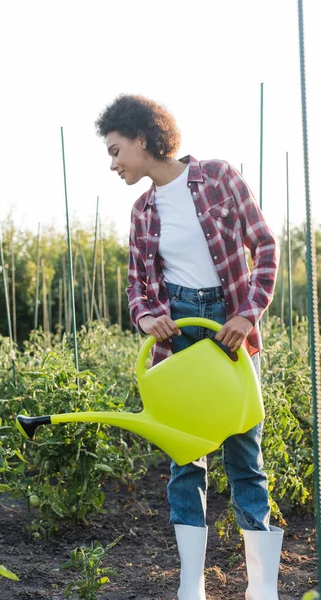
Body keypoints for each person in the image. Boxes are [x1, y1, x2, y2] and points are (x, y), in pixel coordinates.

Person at [95, 94, 283, 600]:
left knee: (245, 451)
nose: (113, 164)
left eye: (116, 152)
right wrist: (148, 315)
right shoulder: (142, 211)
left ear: (142, 138)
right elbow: (137, 283)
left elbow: (264, 243)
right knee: (185, 458)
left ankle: (262, 587)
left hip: (229, 325)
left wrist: (248, 313)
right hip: (178, 329)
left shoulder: (218, 177)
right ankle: (190, 584)